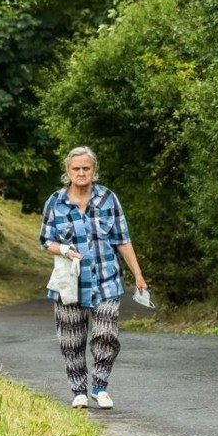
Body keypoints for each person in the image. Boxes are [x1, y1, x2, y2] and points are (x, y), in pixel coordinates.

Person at [40, 145, 147, 409]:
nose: (81, 173)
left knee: (106, 333)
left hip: (106, 280)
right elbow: (45, 241)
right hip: (70, 283)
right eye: (76, 168)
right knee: (72, 339)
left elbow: (122, 239)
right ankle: (78, 390)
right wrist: (64, 248)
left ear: (94, 170)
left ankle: (99, 386)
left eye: (86, 168)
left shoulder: (108, 199)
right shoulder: (55, 202)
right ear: (68, 171)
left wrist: (138, 274)